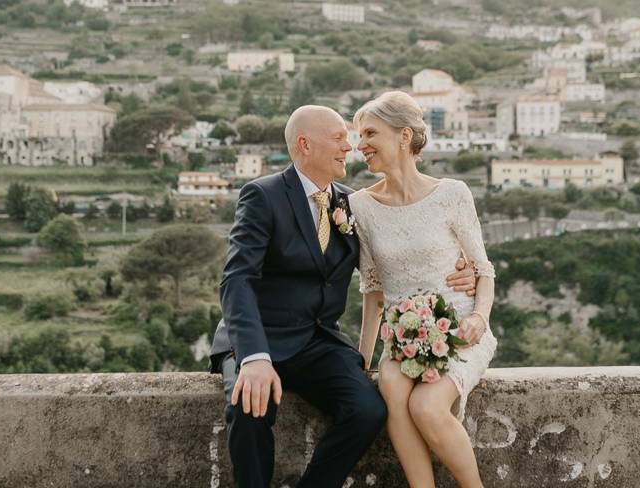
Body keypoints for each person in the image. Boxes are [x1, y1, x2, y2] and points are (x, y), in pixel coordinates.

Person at [209, 104, 478, 488]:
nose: (348, 148)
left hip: (317, 342)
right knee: (249, 409)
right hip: (260, 337)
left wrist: (459, 272)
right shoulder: (263, 196)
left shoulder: (352, 204)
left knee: (367, 409)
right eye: (338, 138)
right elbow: (237, 279)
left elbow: (392, 264)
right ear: (304, 144)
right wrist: (252, 357)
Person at [350, 91, 497, 488]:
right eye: (357, 136)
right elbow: (374, 290)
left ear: (403, 136)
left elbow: (483, 271)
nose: (359, 145)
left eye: (369, 133)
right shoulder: (360, 206)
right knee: (392, 386)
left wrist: (479, 318)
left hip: (460, 326)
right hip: (401, 336)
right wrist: (362, 358)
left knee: (428, 407)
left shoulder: (452, 194)